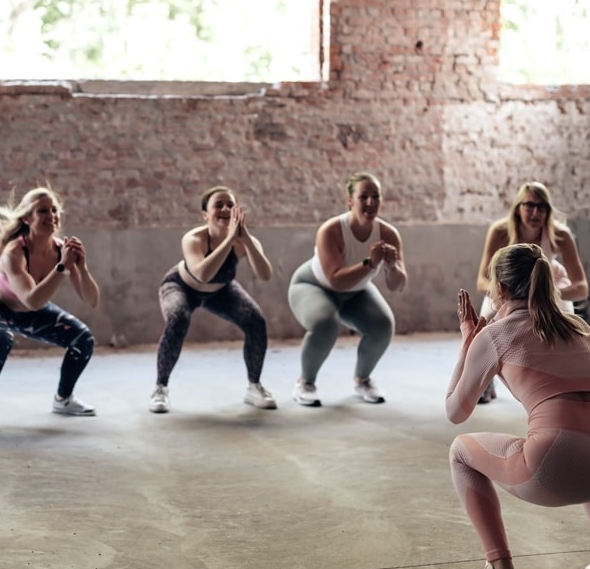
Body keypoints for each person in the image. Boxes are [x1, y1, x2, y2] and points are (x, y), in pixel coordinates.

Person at [441, 243, 590, 569]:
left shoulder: (496, 335)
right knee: (589, 437)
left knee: (461, 451)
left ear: (501, 290)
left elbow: (455, 411)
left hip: (558, 462)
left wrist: (468, 342)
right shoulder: (579, 325)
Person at [0, 187, 100, 431]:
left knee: (84, 339)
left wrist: (82, 267)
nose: (51, 216)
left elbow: (92, 300)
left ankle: (63, 399)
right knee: (0, 339)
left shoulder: (61, 249)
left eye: (54, 210)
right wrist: (62, 267)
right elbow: (32, 300)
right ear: (27, 218)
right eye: (42, 211)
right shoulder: (15, 252)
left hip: (27, 309)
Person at [287, 172, 407, 407]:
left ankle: (362, 380)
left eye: (376, 196)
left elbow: (398, 285)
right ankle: (305, 383)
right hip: (313, 286)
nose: (370, 203)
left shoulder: (389, 234)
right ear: (350, 200)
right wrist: (371, 263)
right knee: (326, 324)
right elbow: (336, 281)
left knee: (383, 326)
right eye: (363, 197)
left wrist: (391, 266)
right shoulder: (331, 230)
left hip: (356, 291)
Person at [150, 186, 274, 413]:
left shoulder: (245, 241)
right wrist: (228, 239)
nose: (225, 209)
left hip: (220, 291)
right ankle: (160, 388)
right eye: (218, 205)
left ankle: (254, 386)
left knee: (256, 321)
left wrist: (245, 238)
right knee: (178, 318)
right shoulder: (193, 238)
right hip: (181, 287)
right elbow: (202, 274)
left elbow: (265, 275)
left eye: (230, 204)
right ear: (205, 214)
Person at [474, 181, 589, 403]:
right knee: (483, 322)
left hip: (548, 287)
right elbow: (481, 281)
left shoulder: (561, 235)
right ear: (518, 207)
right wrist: (504, 293)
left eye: (541, 207)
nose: (535, 212)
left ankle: (567, 380)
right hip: (510, 288)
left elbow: (582, 287)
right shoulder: (500, 232)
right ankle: (484, 381)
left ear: (548, 210)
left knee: (566, 325)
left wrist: (547, 293)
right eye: (529, 205)